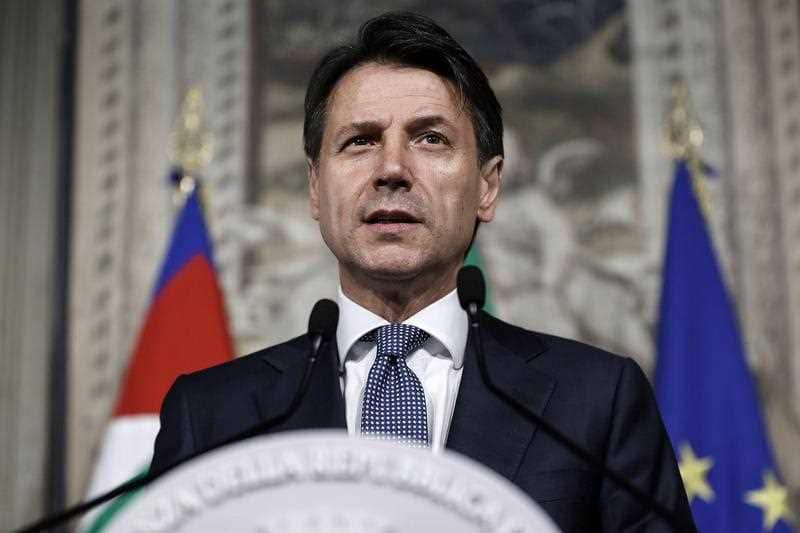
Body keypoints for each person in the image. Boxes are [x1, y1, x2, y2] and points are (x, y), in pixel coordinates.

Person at [151, 11, 694, 532]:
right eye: (360, 140)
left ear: (488, 185)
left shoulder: (597, 400)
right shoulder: (212, 416)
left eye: (430, 138)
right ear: (316, 188)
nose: (391, 170)